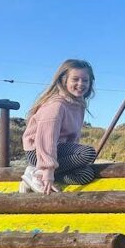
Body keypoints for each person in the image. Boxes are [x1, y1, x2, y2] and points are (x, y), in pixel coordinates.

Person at [20, 59, 97, 193]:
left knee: (87, 174)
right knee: (88, 153)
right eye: (75, 79)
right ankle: (37, 173)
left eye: (85, 80)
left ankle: (37, 177)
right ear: (64, 80)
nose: (80, 84)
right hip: (38, 150)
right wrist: (47, 170)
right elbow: (46, 139)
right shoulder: (56, 105)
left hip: (57, 150)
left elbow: (72, 140)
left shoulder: (78, 105)